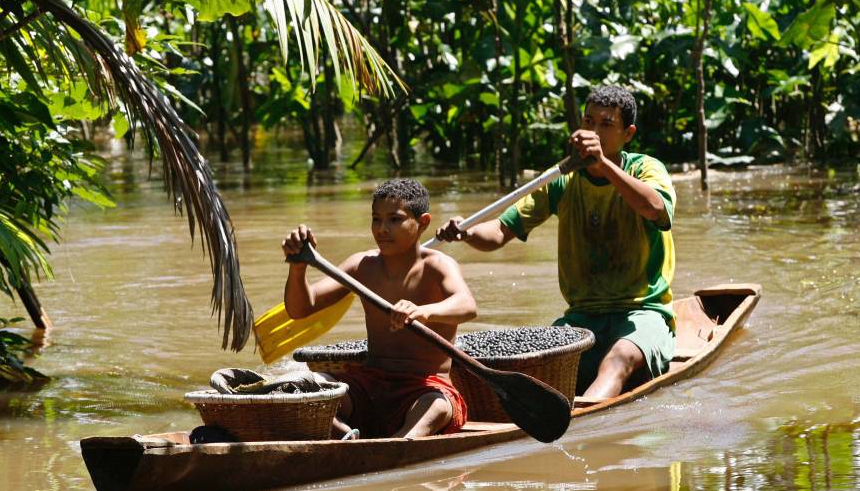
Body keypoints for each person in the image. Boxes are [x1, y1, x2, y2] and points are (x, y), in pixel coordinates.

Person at [436, 85, 676, 402]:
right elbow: (498, 233)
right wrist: (465, 232)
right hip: (582, 315)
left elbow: (655, 210)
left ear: (627, 134)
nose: (593, 130)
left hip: (642, 312)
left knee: (619, 359)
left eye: (606, 124)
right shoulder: (560, 179)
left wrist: (603, 164)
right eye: (588, 121)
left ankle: (581, 420)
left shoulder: (645, 169)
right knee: (536, 367)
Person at [282, 179, 477, 439]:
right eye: (376, 219)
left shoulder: (438, 265)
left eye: (395, 220)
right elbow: (300, 308)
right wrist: (298, 267)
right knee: (312, 386)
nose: (383, 229)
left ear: (423, 222)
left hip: (423, 387)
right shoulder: (361, 265)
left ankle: (401, 443)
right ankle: (348, 435)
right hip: (370, 384)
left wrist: (423, 312)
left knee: (438, 407)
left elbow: (467, 305)